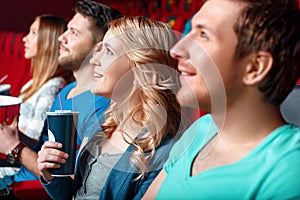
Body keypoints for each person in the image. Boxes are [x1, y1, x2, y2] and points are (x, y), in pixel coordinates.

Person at [143, 0, 300, 199]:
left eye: (203, 35)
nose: (177, 50)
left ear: (255, 68)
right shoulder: (201, 129)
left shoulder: (288, 174)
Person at [37, 16, 185, 200]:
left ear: (139, 65)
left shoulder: (163, 151)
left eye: (107, 51)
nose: (93, 60)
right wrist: (51, 176)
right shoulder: (104, 123)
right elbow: (76, 194)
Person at [0, 0, 122, 198]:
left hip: (32, 191)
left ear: (99, 48)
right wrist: (14, 136)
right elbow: (45, 148)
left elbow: (72, 182)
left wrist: (15, 147)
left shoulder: (102, 104)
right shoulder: (66, 92)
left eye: (74, 33)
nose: (61, 38)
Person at [0, 14, 72, 181]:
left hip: (19, 167)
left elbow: (34, 142)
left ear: (47, 42)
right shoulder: (33, 84)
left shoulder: (53, 87)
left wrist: (8, 133)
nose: (24, 39)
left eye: (33, 33)